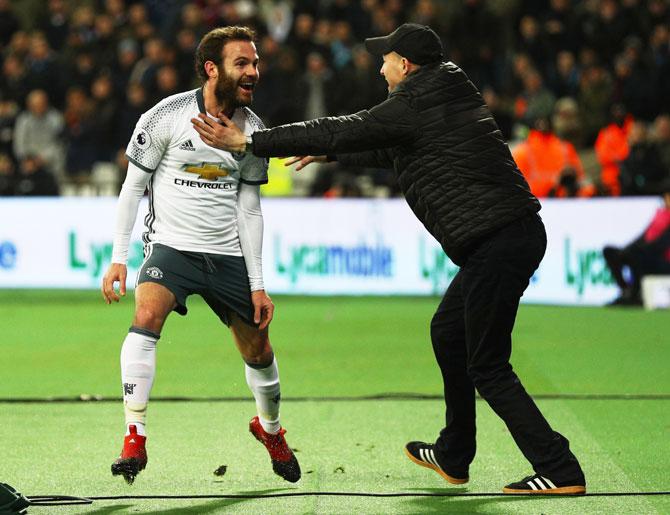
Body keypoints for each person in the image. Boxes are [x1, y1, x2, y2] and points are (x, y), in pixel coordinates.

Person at [193, 23, 586, 495]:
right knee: (448, 332)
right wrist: (328, 154)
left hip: (497, 241)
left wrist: (251, 142)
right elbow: (393, 148)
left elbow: (349, 128)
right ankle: (454, 454)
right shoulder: (445, 90)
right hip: (506, 236)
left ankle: (560, 469)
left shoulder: (416, 99)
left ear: (406, 64)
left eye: (386, 59)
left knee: (488, 364)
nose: (381, 67)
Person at [101, 26, 300, 486]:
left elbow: (250, 209)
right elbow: (132, 189)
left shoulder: (253, 132)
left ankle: (270, 430)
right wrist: (118, 258)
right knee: (146, 314)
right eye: (242, 63)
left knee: (260, 352)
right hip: (172, 248)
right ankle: (135, 434)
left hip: (228, 255)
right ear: (212, 69)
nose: (254, 72)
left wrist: (257, 284)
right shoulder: (165, 116)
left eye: (255, 63)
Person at [603, 181, 670, 306]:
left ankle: (636, 295)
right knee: (610, 252)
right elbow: (644, 236)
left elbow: (663, 243)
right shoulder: (660, 214)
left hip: (663, 261)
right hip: (646, 254)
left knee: (637, 255)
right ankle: (625, 290)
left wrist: (639, 251)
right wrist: (627, 251)